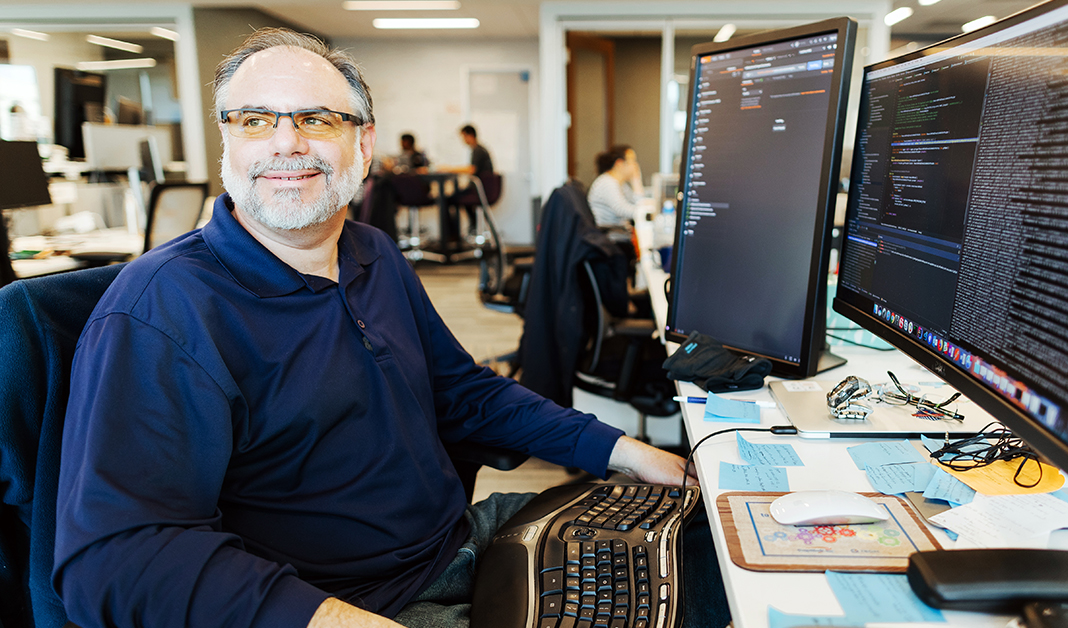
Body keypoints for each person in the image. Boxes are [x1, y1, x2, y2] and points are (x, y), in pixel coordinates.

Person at [53, 28, 714, 628]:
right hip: (364, 605)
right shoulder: (160, 312)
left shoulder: (371, 251)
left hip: (462, 541)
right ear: (228, 141)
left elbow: (465, 393)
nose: (287, 142)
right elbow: (116, 561)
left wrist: (623, 450)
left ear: (362, 144)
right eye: (255, 120)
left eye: (315, 118)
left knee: (705, 543)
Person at [588, 145, 645, 228]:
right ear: (619, 164)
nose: (636, 166)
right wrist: (647, 212)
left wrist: (636, 182)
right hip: (611, 234)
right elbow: (625, 211)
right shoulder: (607, 183)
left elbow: (637, 204)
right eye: (633, 161)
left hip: (620, 231)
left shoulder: (621, 184)